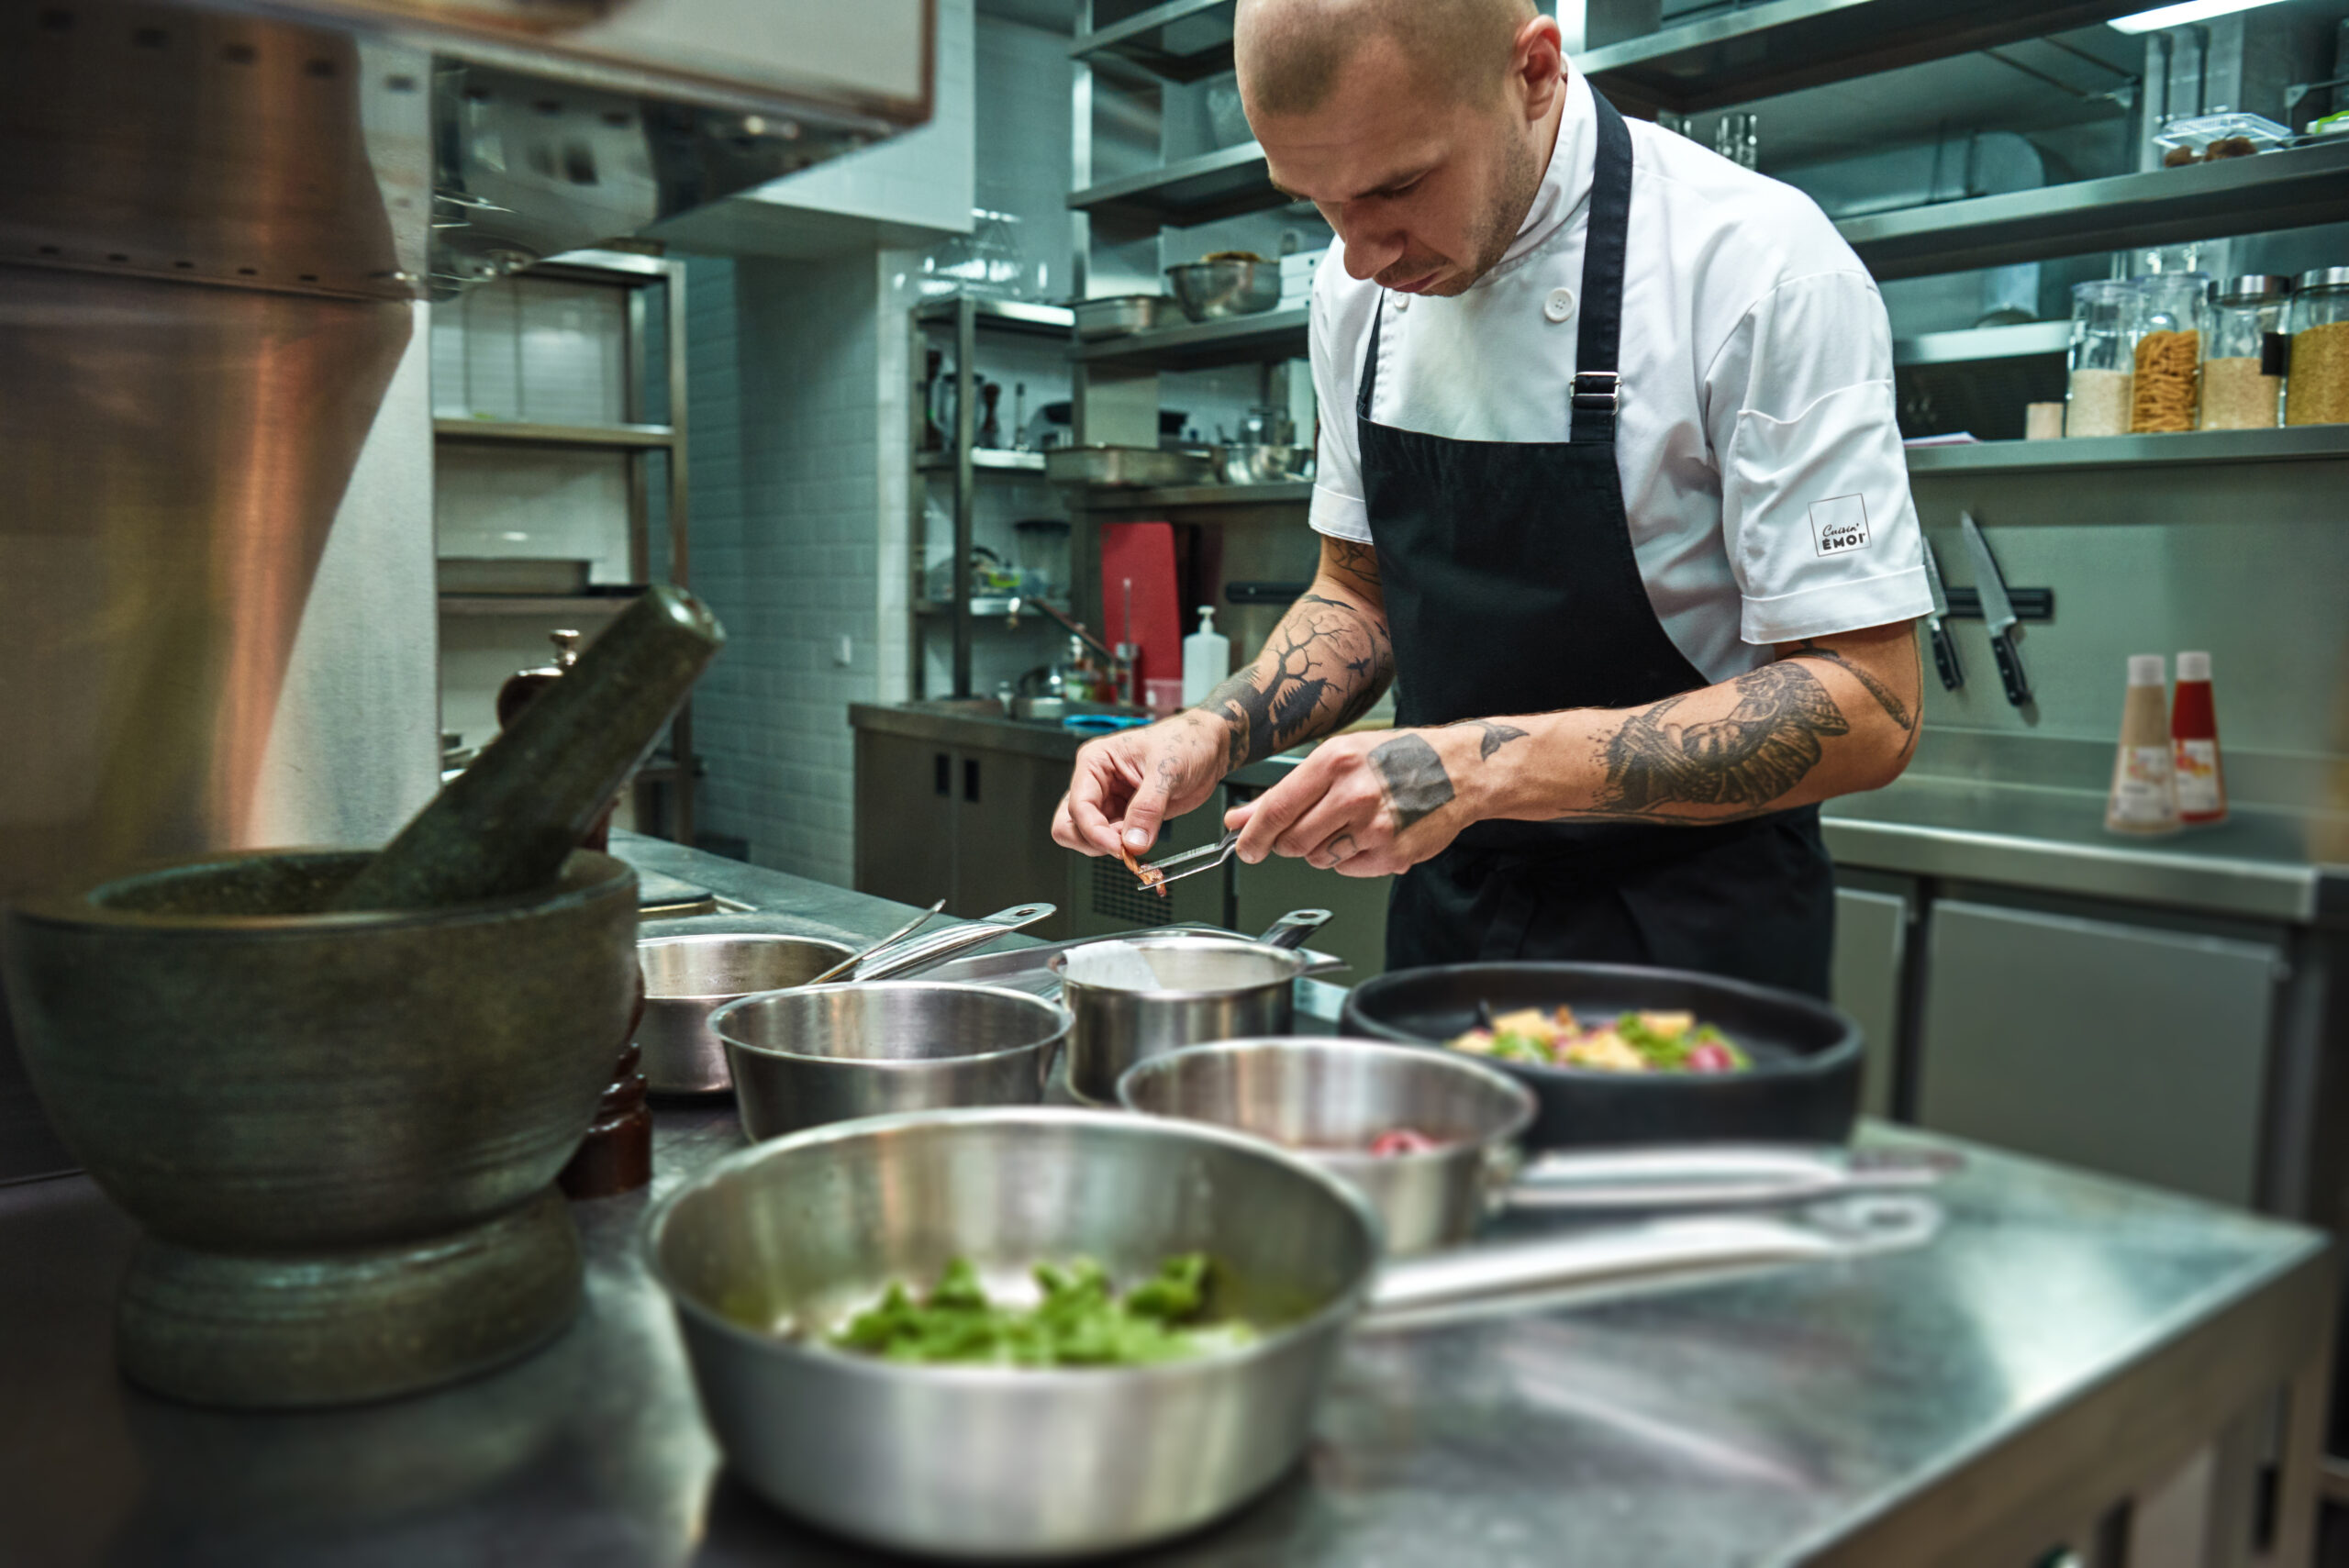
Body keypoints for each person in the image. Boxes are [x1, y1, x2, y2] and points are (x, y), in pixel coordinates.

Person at [1051, 0, 1931, 997]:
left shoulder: (1758, 266)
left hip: (1692, 940)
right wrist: (1211, 730)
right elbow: (1358, 590)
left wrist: (1480, 769)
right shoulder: (1357, 292)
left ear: (1535, 73)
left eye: (1398, 185)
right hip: (1450, 921)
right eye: (1315, 201)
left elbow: (1871, 701)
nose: (1360, 254)